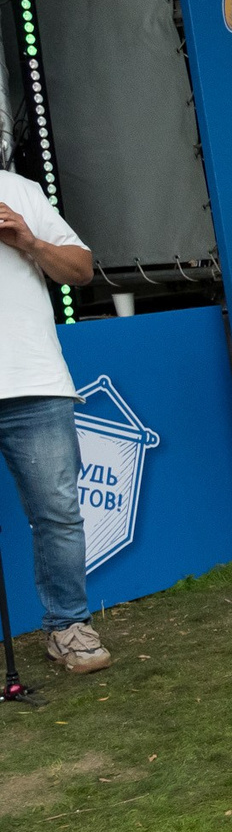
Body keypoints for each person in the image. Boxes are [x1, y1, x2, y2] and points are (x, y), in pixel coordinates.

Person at [0, 165, 107, 674]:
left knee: (58, 513)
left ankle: (68, 627)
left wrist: (28, 240)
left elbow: (81, 271)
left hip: (34, 381)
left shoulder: (19, 191)